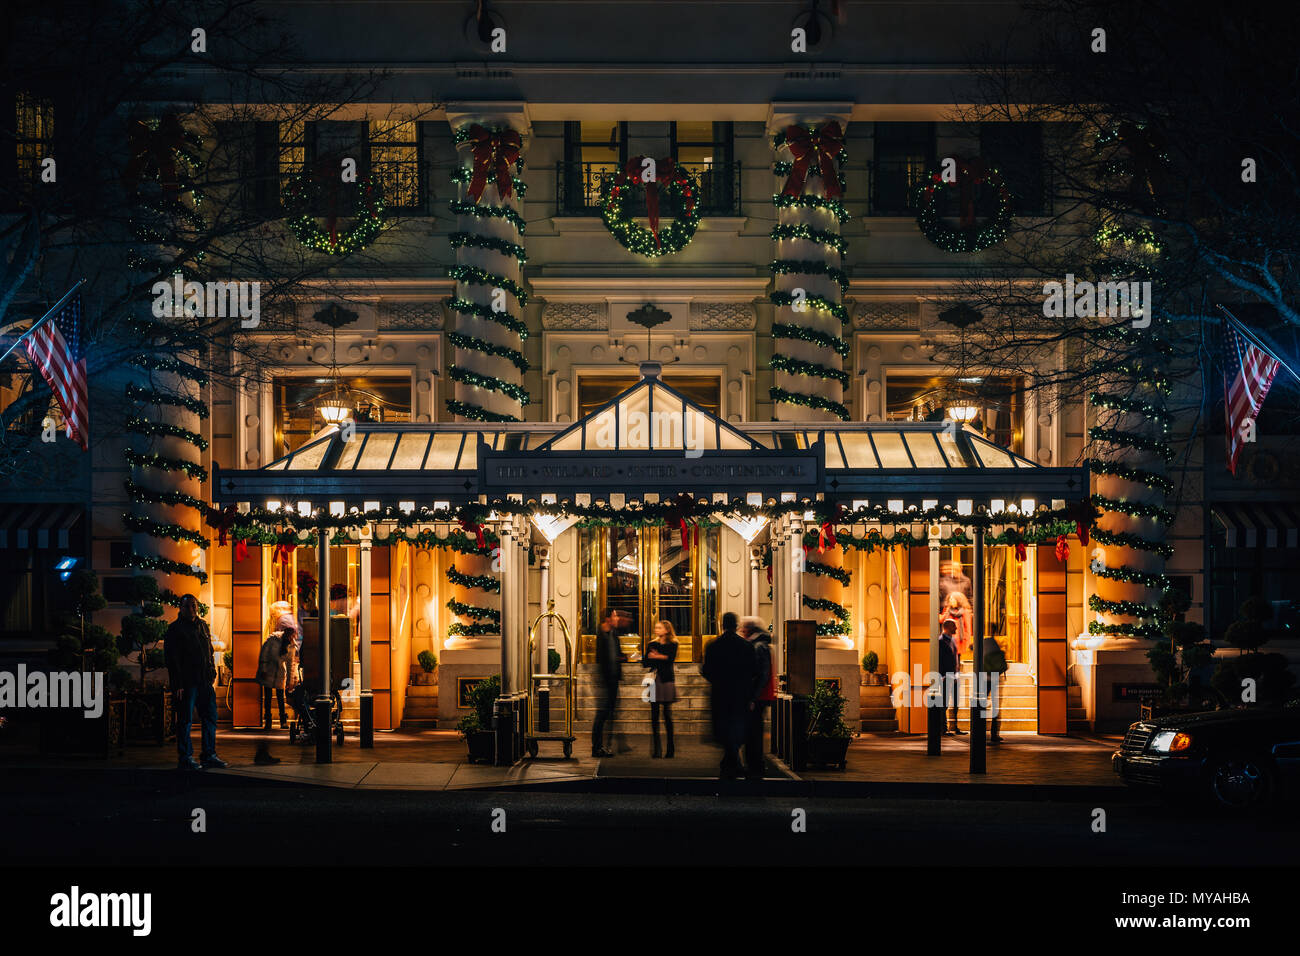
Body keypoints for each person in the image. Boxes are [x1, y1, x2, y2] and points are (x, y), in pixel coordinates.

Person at [164, 594, 226, 770]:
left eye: (193, 606)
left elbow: (209, 650)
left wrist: (212, 671)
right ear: (180, 608)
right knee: (185, 720)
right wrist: (178, 685)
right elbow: (172, 660)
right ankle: (185, 757)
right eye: (187, 606)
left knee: (210, 717)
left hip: (204, 681)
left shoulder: (202, 626)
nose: (191, 609)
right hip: (188, 682)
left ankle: (209, 754)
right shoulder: (175, 630)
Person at [701, 611, 755, 780]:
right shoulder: (746, 646)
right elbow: (752, 670)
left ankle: (730, 764)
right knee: (737, 727)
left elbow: (707, 670)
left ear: (722, 625)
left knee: (724, 727)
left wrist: (718, 680)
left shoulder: (713, 645)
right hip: (739, 693)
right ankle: (734, 764)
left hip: (720, 692)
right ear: (736, 625)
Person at [741, 616, 775, 780]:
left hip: (757, 697)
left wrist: (752, 697)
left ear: (748, 630)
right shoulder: (761, 644)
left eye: (743, 628)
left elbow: (761, 674)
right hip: (760, 695)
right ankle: (755, 765)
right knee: (754, 731)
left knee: (753, 732)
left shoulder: (757, 646)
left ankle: (755, 766)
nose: (740, 631)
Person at [591, 607, 626, 757]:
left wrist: (622, 658)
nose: (617, 619)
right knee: (602, 714)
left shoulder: (613, 634)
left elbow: (615, 655)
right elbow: (602, 659)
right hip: (606, 681)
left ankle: (604, 745)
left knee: (609, 713)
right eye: (615, 616)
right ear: (608, 619)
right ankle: (597, 747)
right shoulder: (603, 635)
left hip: (613, 680)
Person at [643, 620, 678, 759]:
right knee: (654, 716)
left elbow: (670, 659)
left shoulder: (673, 643)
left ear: (667, 630)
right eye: (656, 627)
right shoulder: (652, 644)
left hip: (666, 680)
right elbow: (646, 662)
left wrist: (656, 656)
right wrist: (657, 657)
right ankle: (656, 749)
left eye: (659, 628)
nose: (656, 629)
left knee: (667, 715)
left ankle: (670, 749)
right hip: (653, 680)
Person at [257, 606, 292, 731]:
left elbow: (289, 663)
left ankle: (283, 720)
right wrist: (264, 669)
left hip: (279, 674)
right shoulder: (273, 639)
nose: (291, 636)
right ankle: (268, 721)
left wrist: (289, 681)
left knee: (280, 699)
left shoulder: (291, 645)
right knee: (267, 699)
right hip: (269, 672)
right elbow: (264, 654)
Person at [937, 617, 963, 736]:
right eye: (954, 626)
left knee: (955, 702)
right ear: (947, 627)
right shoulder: (941, 641)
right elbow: (940, 660)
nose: (956, 628)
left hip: (954, 676)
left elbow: (955, 657)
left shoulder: (952, 640)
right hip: (945, 677)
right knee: (944, 703)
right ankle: (943, 728)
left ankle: (954, 727)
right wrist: (942, 676)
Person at [983, 635, 1009, 744]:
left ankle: (980, 731)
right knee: (995, 706)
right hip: (995, 678)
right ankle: (994, 733)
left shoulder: (981, 644)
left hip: (983, 679)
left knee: (981, 706)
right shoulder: (994, 644)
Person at [940, 590, 973, 655]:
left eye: (952, 599)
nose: (950, 600)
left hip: (960, 642)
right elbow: (941, 620)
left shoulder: (965, 612)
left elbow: (968, 629)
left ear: (958, 601)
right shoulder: (948, 610)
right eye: (950, 599)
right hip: (947, 640)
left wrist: (966, 642)